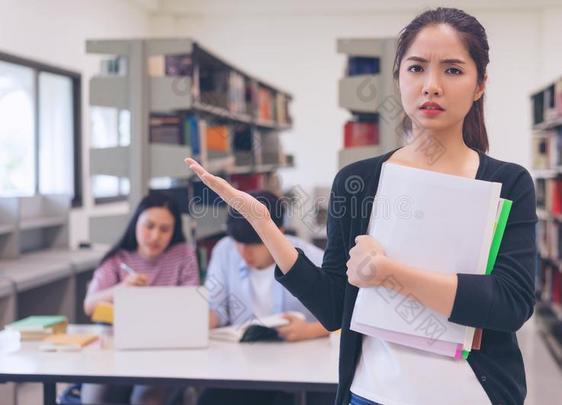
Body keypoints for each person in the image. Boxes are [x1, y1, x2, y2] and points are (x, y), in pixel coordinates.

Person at [186, 7, 536, 405]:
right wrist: (265, 225)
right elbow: (335, 308)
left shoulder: (508, 183)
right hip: (371, 394)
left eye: (453, 70)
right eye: (416, 68)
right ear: (399, 78)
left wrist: (389, 273)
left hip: (473, 394)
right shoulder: (360, 182)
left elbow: (510, 305)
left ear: (480, 84)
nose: (431, 85)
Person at [199, 190, 331, 405]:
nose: (243, 253)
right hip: (244, 364)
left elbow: (348, 313)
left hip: (301, 364)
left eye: (253, 244)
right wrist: (201, 321)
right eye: (238, 243)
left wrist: (309, 330)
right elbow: (216, 307)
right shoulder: (225, 251)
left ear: (276, 232)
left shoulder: (312, 258)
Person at [82, 192, 199, 405]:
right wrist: (121, 288)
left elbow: (191, 305)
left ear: (174, 231)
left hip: (164, 348)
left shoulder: (183, 254)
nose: (155, 236)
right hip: (117, 348)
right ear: (136, 223)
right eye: (149, 226)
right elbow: (89, 306)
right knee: (94, 396)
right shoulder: (119, 258)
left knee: (146, 398)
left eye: (165, 229)